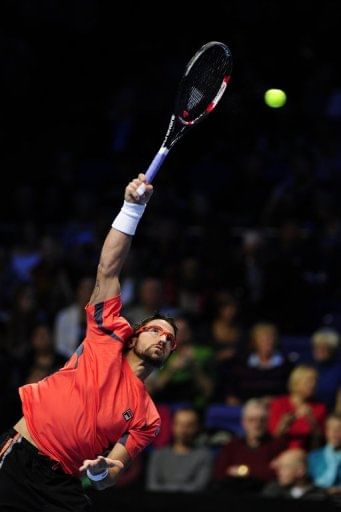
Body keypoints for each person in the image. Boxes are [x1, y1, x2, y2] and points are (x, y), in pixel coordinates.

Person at [0, 173, 178, 512]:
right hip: (19, 458)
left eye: (170, 339)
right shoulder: (107, 337)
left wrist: (99, 472)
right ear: (136, 334)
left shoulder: (147, 417)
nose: (163, 338)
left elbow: (111, 473)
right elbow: (108, 270)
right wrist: (132, 208)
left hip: (61, 484)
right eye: (156, 330)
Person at [213, 398, 286, 494]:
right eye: (252, 420)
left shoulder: (277, 445)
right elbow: (219, 474)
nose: (257, 424)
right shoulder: (232, 446)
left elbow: (278, 475)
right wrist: (262, 470)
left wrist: (244, 472)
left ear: (268, 422)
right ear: (244, 422)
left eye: (262, 420)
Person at [146, 407, 213, 493]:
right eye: (179, 424)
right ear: (173, 426)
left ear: (197, 428)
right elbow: (152, 486)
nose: (183, 430)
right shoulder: (158, 455)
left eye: (189, 426)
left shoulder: (204, 456)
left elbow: (199, 487)